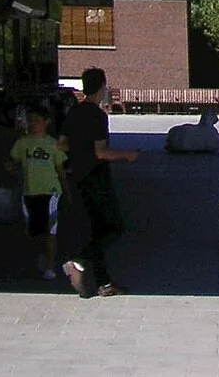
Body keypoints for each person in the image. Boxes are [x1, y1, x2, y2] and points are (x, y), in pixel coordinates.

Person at [59, 68, 138, 298]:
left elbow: (61, 144)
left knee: (96, 230)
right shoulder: (97, 116)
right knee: (114, 227)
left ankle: (104, 283)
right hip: (96, 178)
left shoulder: (74, 112)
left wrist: (77, 155)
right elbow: (101, 152)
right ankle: (78, 260)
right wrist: (127, 156)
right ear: (101, 87)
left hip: (79, 177)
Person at [7, 106, 67, 281]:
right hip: (29, 192)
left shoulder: (53, 144)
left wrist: (67, 191)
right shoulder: (22, 143)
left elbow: (60, 170)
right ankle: (43, 256)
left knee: (51, 231)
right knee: (34, 232)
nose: (33, 124)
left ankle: (50, 266)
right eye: (31, 120)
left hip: (51, 193)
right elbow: (13, 161)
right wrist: (10, 168)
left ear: (46, 123)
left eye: (37, 121)